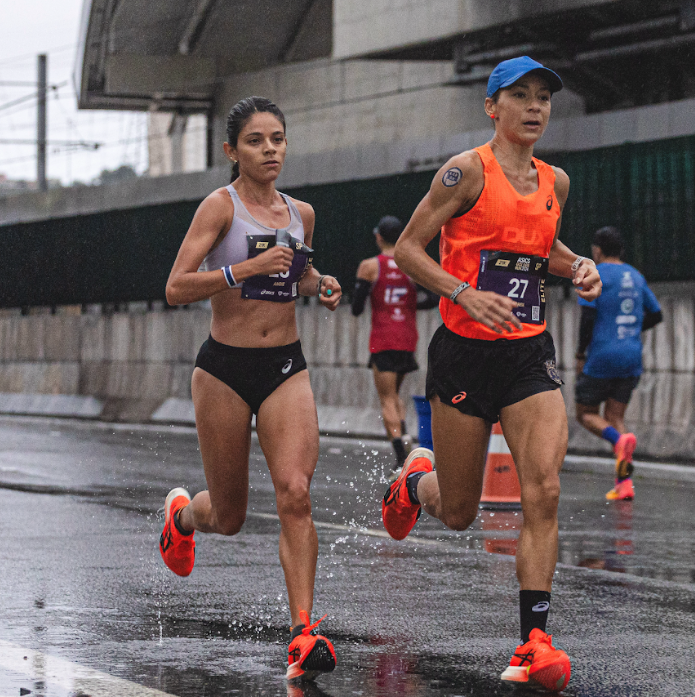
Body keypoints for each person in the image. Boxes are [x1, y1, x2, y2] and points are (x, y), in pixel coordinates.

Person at [386, 56, 601, 692]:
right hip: (464, 351)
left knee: (544, 489)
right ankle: (413, 481)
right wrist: (464, 292)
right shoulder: (464, 173)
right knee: (458, 512)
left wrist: (580, 266)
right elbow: (407, 249)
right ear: (492, 107)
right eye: (521, 97)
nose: (535, 108)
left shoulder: (555, 181)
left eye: (544, 98)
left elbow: (544, 250)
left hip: (528, 353)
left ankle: (534, 639)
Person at [160, 96, 343, 684]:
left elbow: (299, 271)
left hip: (286, 366)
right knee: (232, 514)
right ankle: (184, 519)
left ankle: (303, 631)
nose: (270, 150)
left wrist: (320, 284)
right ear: (232, 151)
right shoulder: (221, 207)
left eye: (278, 139)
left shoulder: (301, 212)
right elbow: (176, 287)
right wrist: (242, 271)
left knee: (295, 493)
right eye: (257, 141)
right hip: (224, 371)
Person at [574, 226, 662, 501]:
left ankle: (617, 440)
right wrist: (632, 328)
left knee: (585, 413)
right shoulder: (635, 276)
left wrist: (580, 355)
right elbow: (656, 314)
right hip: (631, 357)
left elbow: (587, 319)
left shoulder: (596, 274)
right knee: (616, 417)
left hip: (602, 356)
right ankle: (624, 485)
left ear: (597, 250)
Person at [351, 216, 436, 478]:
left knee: (386, 398)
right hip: (408, 337)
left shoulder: (369, 266)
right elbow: (433, 297)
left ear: (378, 237)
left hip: (384, 338)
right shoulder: (410, 264)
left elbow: (356, 307)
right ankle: (406, 438)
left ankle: (401, 456)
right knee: (395, 395)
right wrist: (408, 305)